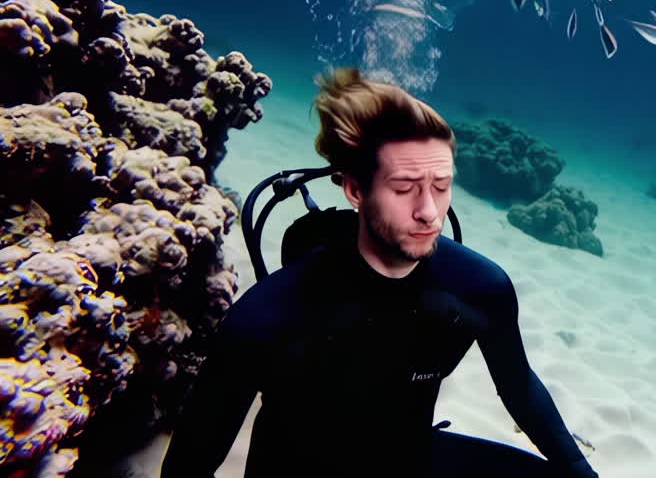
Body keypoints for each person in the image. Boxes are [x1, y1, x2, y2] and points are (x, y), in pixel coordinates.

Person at [160, 68, 598, 478]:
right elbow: (192, 459)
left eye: (441, 186)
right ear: (354, 189)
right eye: (404, 188)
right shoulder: (267, 315)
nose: (429, 212)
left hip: (408, 457)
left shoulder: (481, 288)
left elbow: (518, 387)